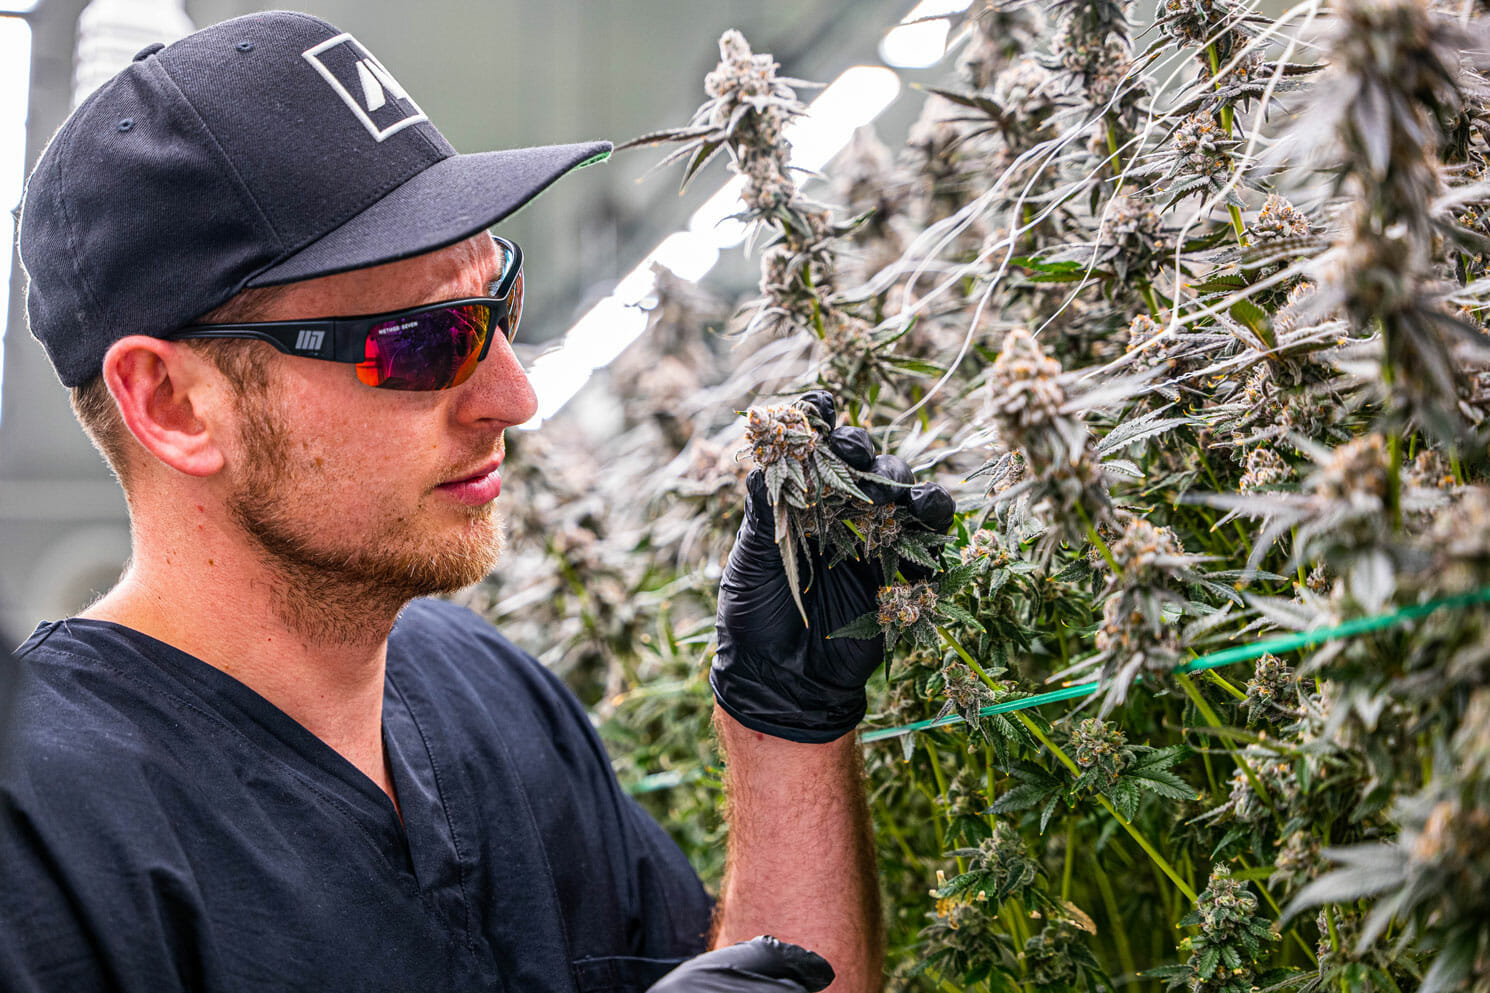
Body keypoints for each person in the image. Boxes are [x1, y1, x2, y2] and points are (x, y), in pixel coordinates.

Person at [2, 10, 954, 992]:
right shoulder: (48, 838)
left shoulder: (486, 691)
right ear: (175, 404)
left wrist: (785, 727)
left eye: (499, 302)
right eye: (422, 338)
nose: (514, 397)